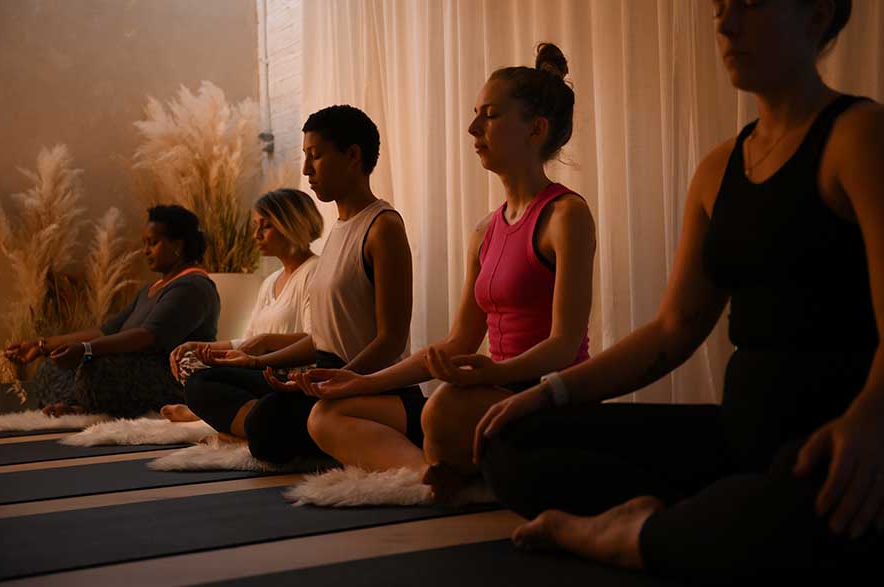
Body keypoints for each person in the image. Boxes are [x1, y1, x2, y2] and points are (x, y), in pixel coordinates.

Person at [474, 0, 884, 583]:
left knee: (795, 517)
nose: (727, 26)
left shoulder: (868, 139)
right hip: (748, 437)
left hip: (871, 436)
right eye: (719, 8)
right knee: (511, 440)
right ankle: (683, 523)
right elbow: (673, 331)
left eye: (753, 2)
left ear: (817, 16)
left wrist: (871, 425)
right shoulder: (717, 170)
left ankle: (632, 534)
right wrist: (550, 391)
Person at [277, 43, 596, 501]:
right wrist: (360, 381)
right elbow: (456, 343)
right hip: (492, 389)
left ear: (536, 129)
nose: (472, 128)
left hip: (549, 394)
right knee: (326, 413)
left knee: (443, 408)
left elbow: (565, 345)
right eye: (475, 114)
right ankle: (436, 471)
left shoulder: (566, 215)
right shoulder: (486, 230)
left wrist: (488, 374)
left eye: (489, 115)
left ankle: (458, 468)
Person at [184, 105, 418, 465]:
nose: (306, 169)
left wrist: (339, 380)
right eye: (305, 157)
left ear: (352, 156)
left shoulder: (383, 227)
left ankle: (336, 432)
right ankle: (297, 429)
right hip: (323, 375)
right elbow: (320, 339)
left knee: (266, 424)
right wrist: (252, 361)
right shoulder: (339, 232)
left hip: (371, 383)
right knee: (204, 381)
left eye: (316, 156)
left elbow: (391, 340)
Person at [7, 204, 220, 418]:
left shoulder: (192, 286)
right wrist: (42, 345)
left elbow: (147, 336)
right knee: (51, 367)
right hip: (131, 368)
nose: (145, 251)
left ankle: (83, 406)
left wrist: (86, 350)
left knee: (96, 368)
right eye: (145, 243)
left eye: (153, 243)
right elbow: (105, 331)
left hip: (171, 378)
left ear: (178, 245)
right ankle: (80, 406)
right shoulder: (152, 288)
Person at [160, 188, 322, 422]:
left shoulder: (315, 271)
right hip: (261, 370)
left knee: (203, 382)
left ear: (291, 224)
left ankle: (216, 415)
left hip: (292, 375)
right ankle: (231, 413)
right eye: (256, 225)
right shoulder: (270, 281)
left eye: (266, 226)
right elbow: (249, 341)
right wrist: (200, 346)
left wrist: (266, 342)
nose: (256, 234)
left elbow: (318, 340)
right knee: (190, 362)